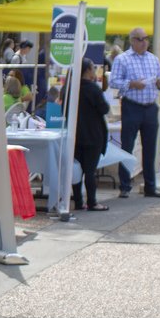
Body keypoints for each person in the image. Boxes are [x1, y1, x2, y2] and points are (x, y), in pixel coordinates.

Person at [110, 27, 160, 199]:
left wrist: (159, 83)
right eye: (140, 39)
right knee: (128, 146)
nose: (144, 42)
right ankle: (125, 186)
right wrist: (132, 84)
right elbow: (113, 81)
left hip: (150, 106)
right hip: (132, 105)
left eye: (146, 39)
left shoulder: (153, 59)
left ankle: (150, 186)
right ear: (132, 40)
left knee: (150, 148)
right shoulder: (122, 59)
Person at [69, 59, 110, 212]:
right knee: (90, 171)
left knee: (76, 169)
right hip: (93, 135)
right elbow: (104, 109)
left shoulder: (70, 88)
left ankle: (79, 201)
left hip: (75, 135)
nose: (94, 72)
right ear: (87, 71)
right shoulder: (93, 89)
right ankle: (92, 202)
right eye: (93, 69)